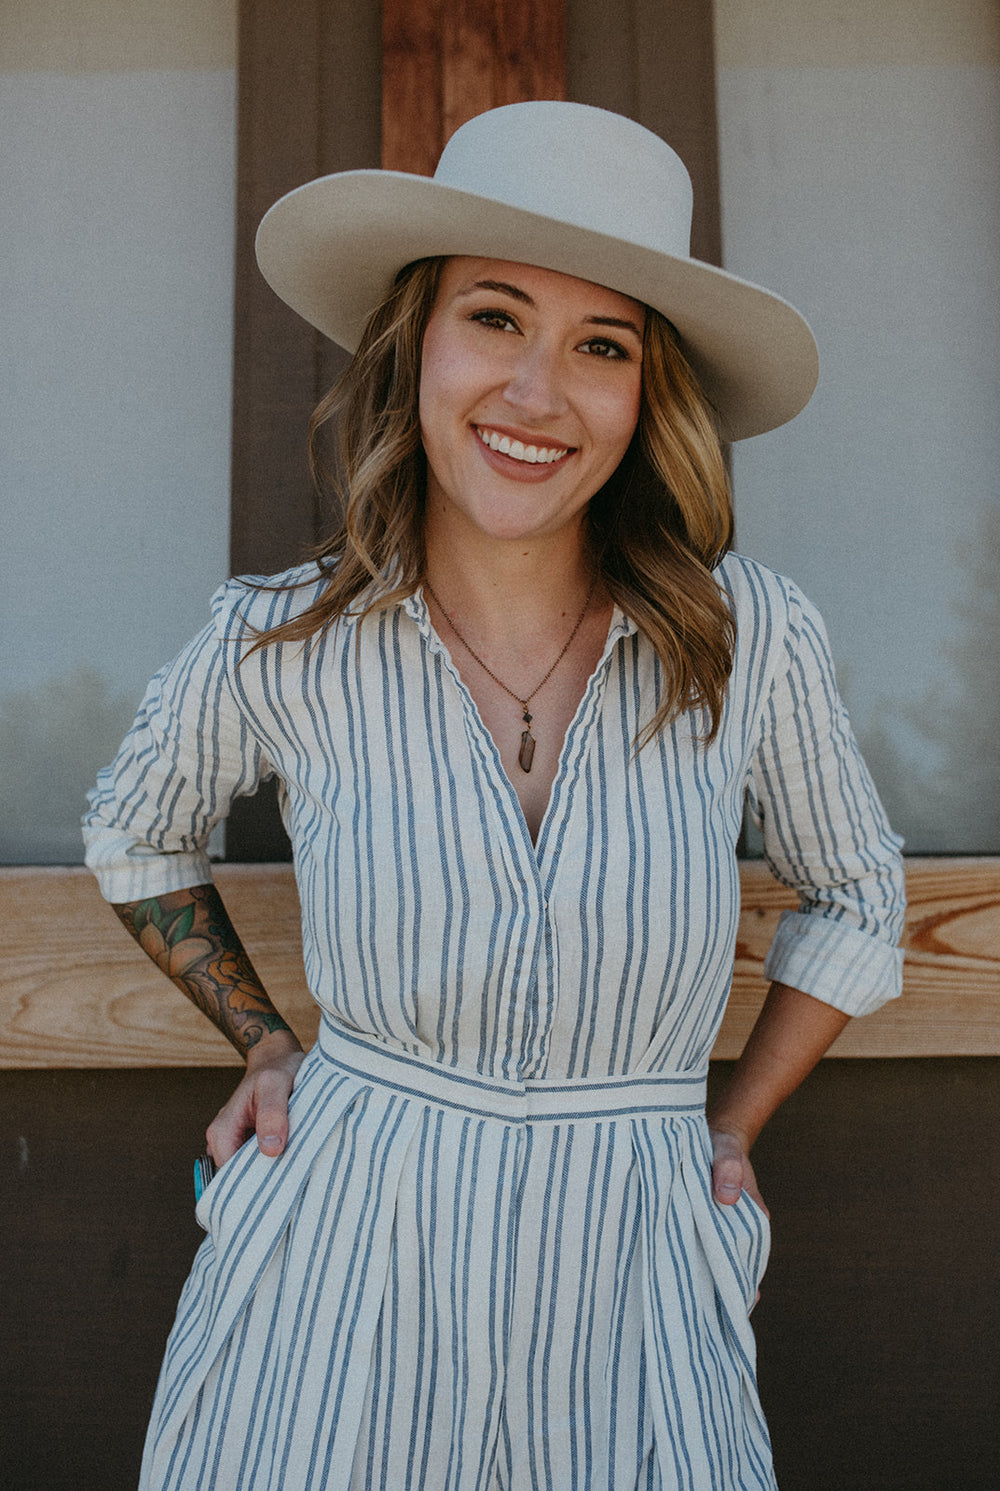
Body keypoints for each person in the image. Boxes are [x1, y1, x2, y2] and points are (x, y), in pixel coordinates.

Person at [84, 101, 905, 1491]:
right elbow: (135, 829)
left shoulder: (750, 638)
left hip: (635, 1285)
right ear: (417, 343)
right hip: (334, 1292)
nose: (536, 393)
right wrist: (266, 1045)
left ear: (649, 395)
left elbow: (859, 894)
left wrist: (729, 1126)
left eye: (602, 345)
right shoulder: (280, 641)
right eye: (495, 319)